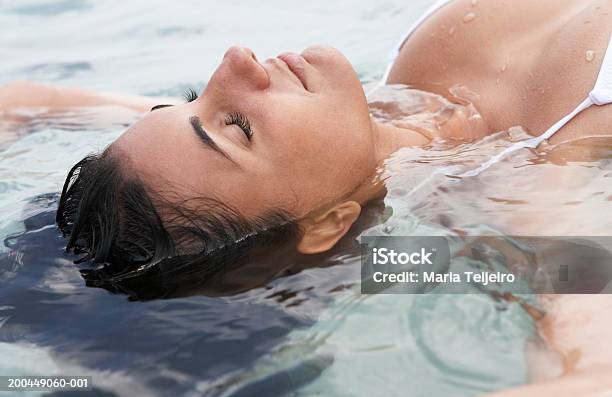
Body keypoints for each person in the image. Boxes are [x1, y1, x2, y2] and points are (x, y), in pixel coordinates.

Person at [1, 0, 612, 394]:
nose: (234, 61)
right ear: (327, 226)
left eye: (190, 96)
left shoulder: (380, 104)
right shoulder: (529, 197)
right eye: (236, 123)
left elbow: (23, 101)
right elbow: (588, 365)